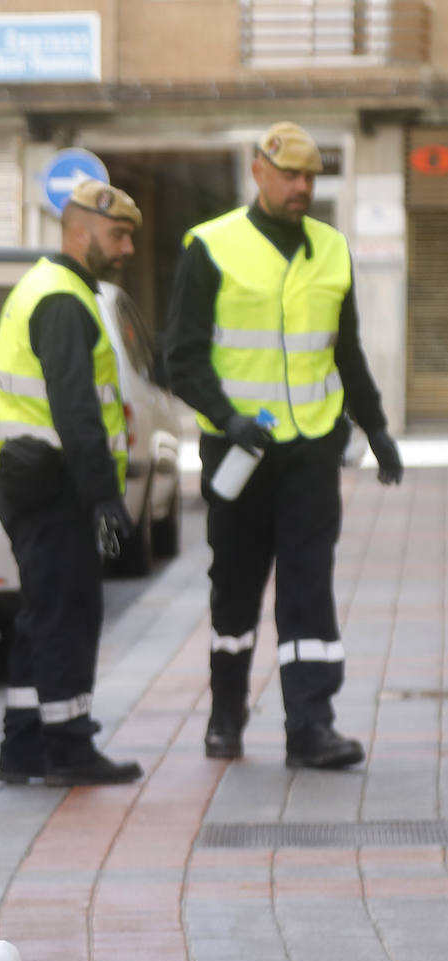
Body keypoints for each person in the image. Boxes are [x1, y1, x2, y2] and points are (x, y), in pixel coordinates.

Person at [165, 120, 403, 768]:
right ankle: (225, 715)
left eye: (310, 176)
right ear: (258, 171)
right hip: (238, 454)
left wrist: (375, 428)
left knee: (308, 586)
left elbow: (343, 349)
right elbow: (179, 359)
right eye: (290, 174)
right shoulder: (209, 247)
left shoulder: (330, 248)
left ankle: (309, 727)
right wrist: (226, 416)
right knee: (234, 589)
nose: (301, 186)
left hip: (310, 453)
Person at [0, 178, 145, 787]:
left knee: (41, 613)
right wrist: (104, 496)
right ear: (80, 231)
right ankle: (70, 748)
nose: (126, 248)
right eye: (117, 234)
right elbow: (77, 408)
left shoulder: (49, 289)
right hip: (53, 480)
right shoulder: (62, 299)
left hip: (31, 475)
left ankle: (23, 749)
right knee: (67, 615)